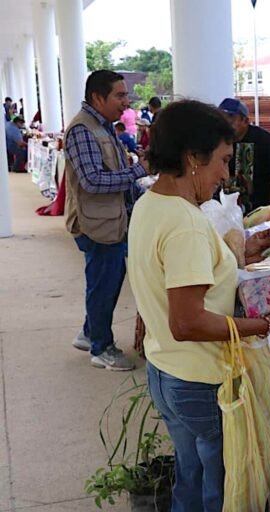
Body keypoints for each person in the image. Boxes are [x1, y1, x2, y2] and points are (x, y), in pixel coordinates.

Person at [127, 99, 270, 511]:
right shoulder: (186, 224)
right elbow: (187, 321)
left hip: (165, 370)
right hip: (197, 378)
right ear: (193, 158)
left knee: (190, 481)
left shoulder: (151, 205)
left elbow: (181, 284)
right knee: (220, 490)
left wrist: (239, 255)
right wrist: (266, 324)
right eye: (222, 161)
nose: (226, 174)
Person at [64, 70, 149, 370]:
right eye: (120, 95)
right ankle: (102, 348)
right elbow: (92, 181)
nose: (126, 102)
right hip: (97, 224)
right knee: (103, 284)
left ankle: (90, 332)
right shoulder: (82, 130)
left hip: (110, 220)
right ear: (98, 97)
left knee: (107, 281)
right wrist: (138, 172)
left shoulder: (103, 126)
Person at [218, 97, 270, 213]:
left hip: (260, 211)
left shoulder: (263, 140)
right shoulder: (220, 141)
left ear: (245, 121)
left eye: (230, 118)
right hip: (229, 210)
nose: (225, 123)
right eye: (221, 118)